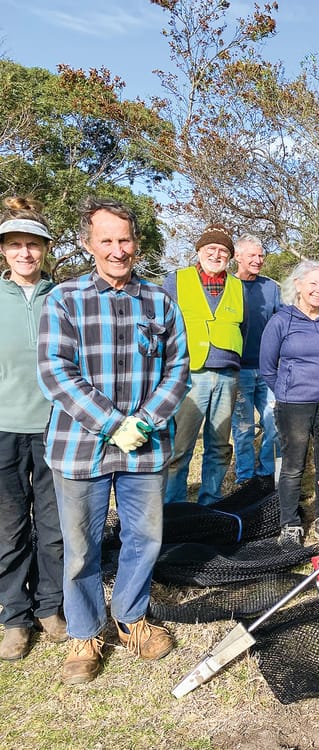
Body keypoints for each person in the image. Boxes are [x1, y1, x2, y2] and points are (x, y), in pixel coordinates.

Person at [37, 197, 190, 684]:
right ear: (89, 244)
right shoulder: (65, 298)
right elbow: (55, 371)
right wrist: (110, 423)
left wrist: (142, 423)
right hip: (81, 447)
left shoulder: (159, 301)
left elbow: (178, 369)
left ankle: (130, 618)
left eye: (124, 239)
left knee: (144, 539)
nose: (117, 249)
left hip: (143, 447)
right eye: (106, 240)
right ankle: (84, 631)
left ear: (136, 243)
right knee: (81, 547)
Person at [0, 197, 64, 661]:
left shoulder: (62, 298)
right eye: (15, 245)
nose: (25, 254)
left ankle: (50, 607)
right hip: (3, 428)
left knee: (54, 525)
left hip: (55, 428)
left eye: (33, 246)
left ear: (44, 251)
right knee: (8, 529)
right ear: (4, 251)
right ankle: (15, 617)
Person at [260, 260, 319, 545]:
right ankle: (290, 524)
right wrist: (288, 390)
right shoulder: (281, 321)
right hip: (293, 405)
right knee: (294, 465)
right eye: (313, 284)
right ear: (298, 285)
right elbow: (267, 367)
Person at [163, 224, 244, 505]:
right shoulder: (176, 280)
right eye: (211, 248)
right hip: (190, 374)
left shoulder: (237, 286)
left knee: (219, 446)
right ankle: (173, 507)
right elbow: (163, 326)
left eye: (223, 250)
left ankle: (211, 502)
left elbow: (242, 328)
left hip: (227, 375)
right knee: (180, 448)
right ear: (199, 251)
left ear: (230, 257)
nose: (216, 254)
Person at [230, 234, 281, 490]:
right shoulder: (227, 285)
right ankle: (245, 478)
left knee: (274, 421)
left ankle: (267, 474)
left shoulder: (271, 288)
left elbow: (280, 324)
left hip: (269, 369)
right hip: (238, 370)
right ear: (237, 257)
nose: (258, 260)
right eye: (252, 255)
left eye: (261, 255)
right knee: (243, 428)